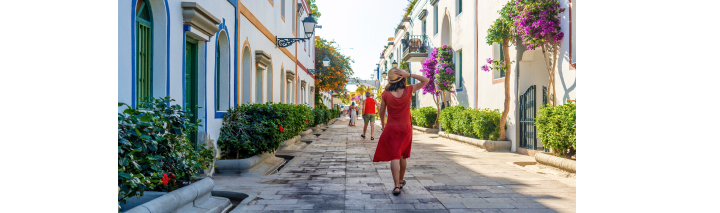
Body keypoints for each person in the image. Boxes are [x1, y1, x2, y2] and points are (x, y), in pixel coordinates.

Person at [372, 67, 429, 196]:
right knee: (403, 155)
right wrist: (408, 74)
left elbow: (381, 111)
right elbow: (426, 80)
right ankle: (401, 180)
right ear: (402, 78)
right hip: (406, 128)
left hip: (392, 128)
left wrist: (382, 124)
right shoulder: (408, 90)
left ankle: (396, 186)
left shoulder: (385, 94)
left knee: (395, 156)